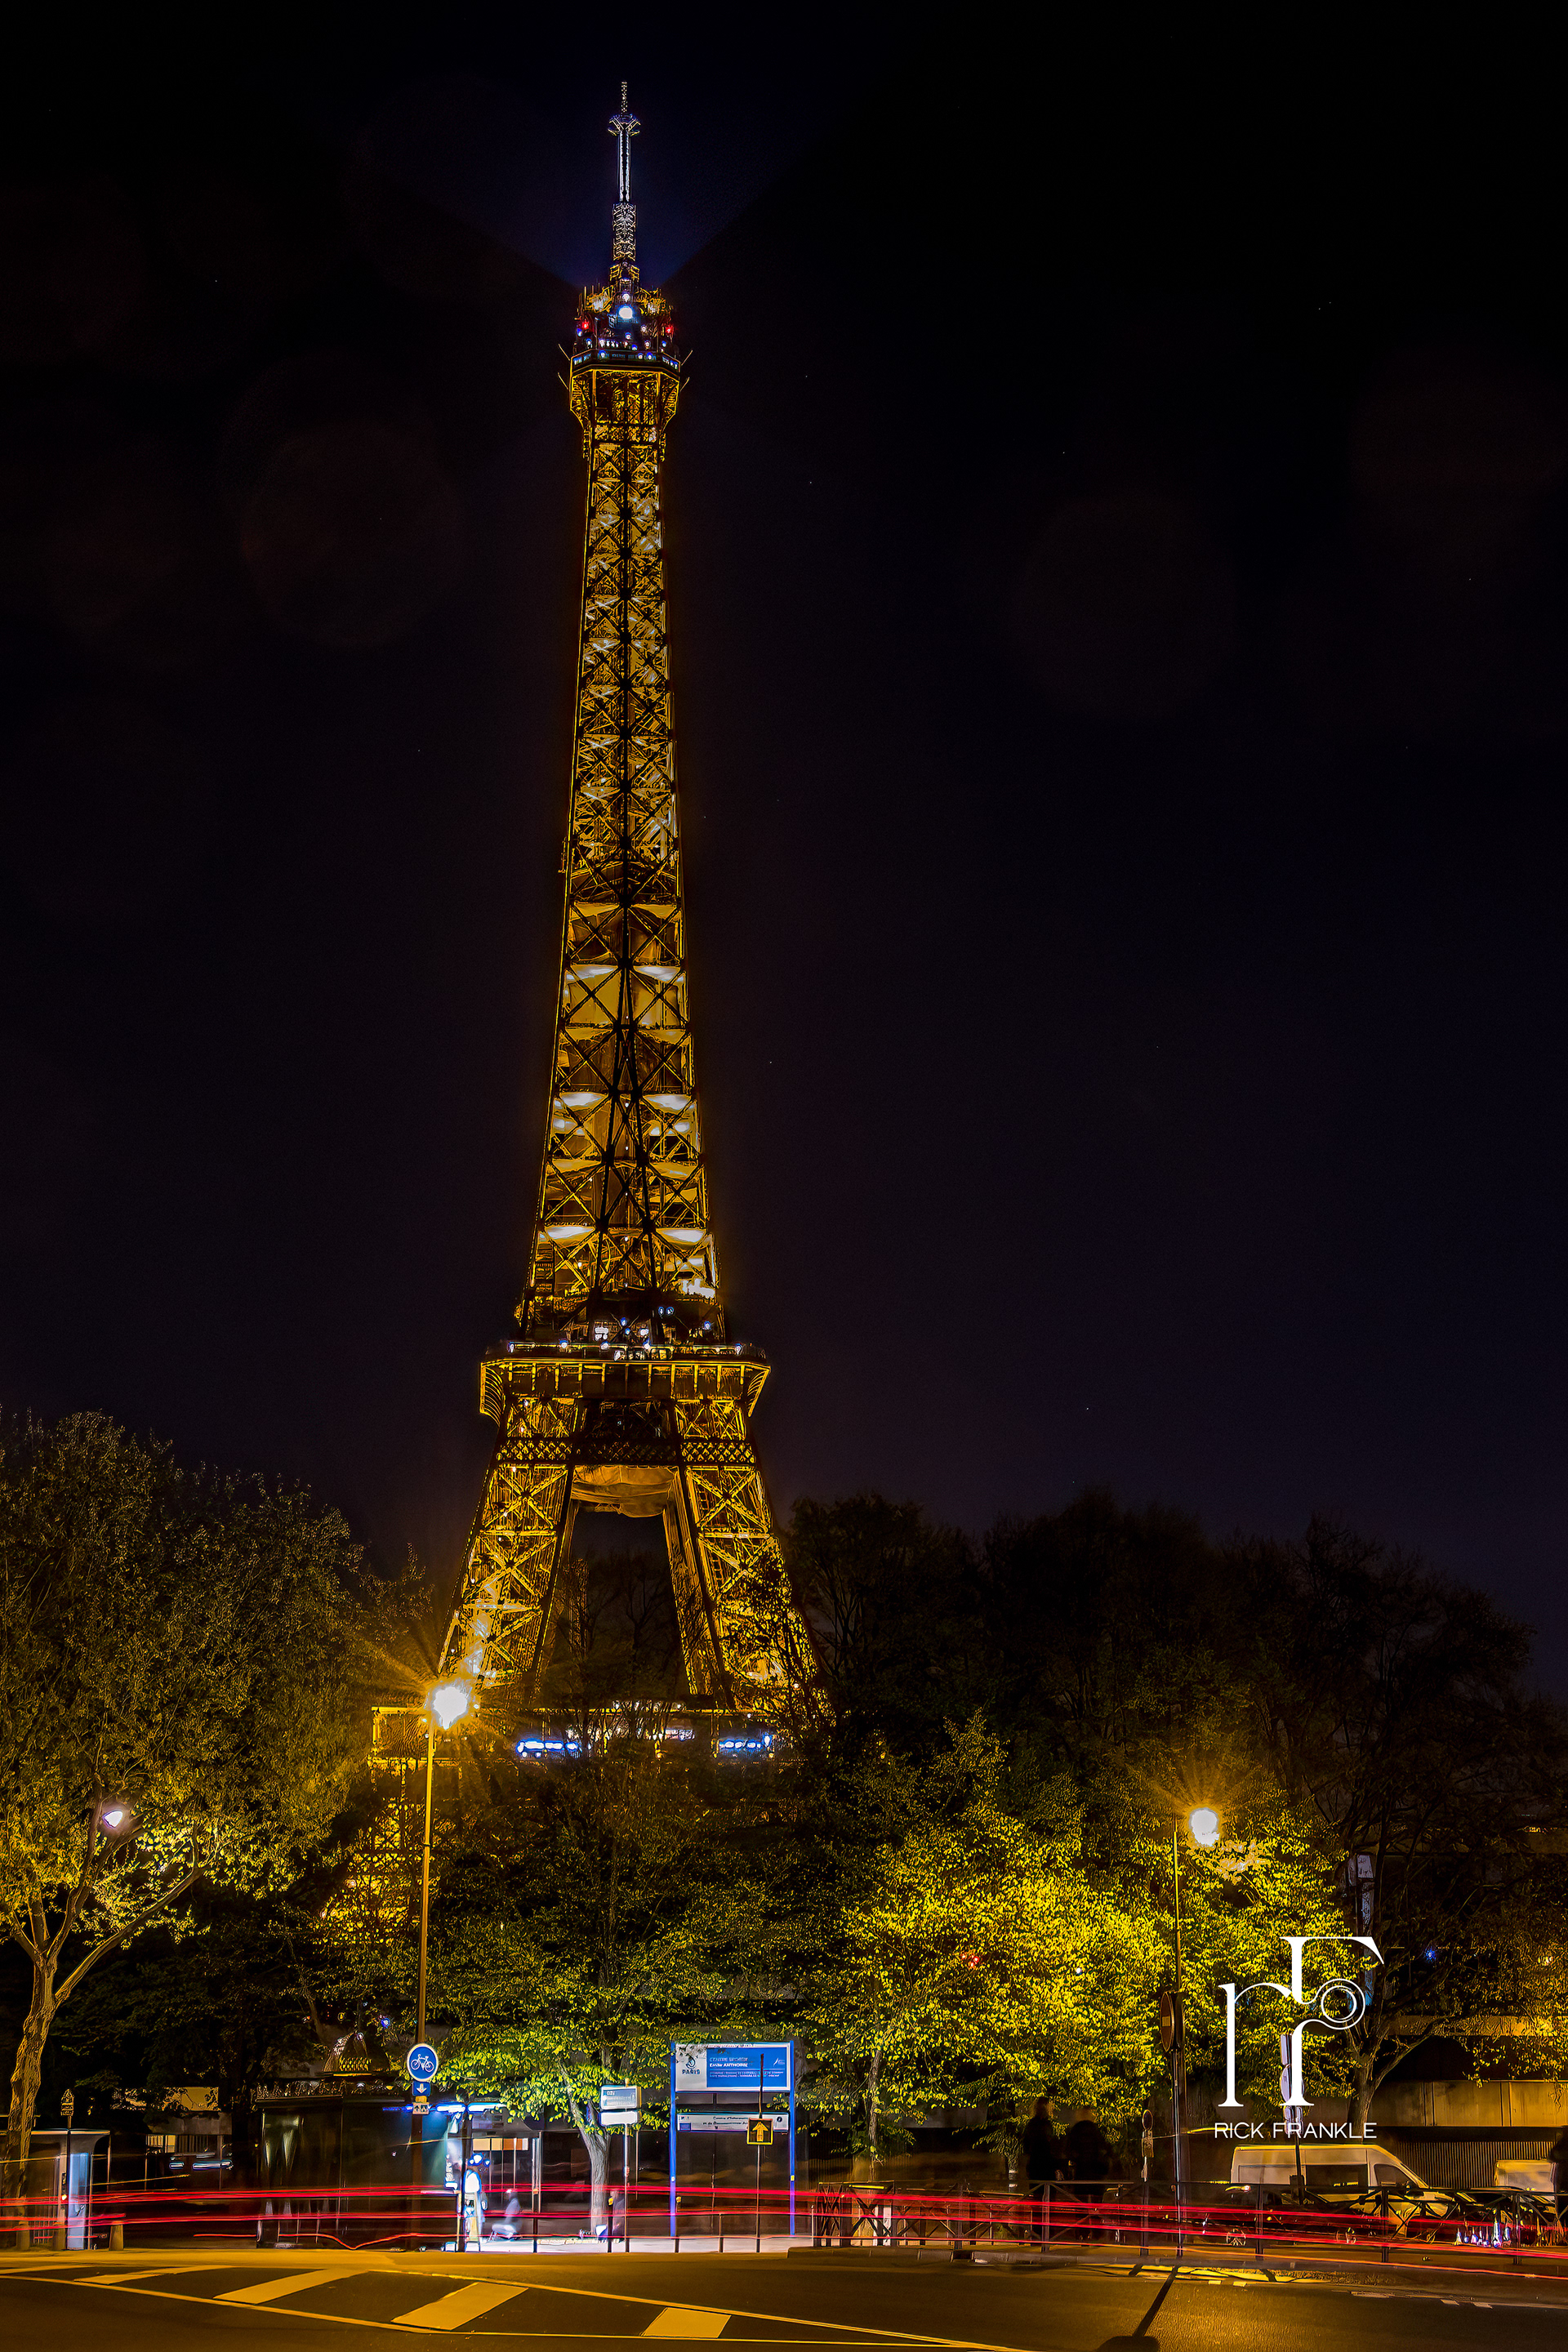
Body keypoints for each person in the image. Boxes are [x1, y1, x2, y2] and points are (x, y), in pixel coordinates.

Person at [1062, 2116, 1116, 2242]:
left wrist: (1075, 2160)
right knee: (1096, 2206)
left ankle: (1083, 2235)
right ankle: (1096, 2234)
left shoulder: (1077, 2130)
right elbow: (1105, 2148)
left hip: (1082, 2173)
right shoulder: (1094, 2130)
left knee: (1082, 2207)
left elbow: (1068, 2150)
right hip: (1095, 2174)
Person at [1021, 2096, 1062, 2238]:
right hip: (1047, 2167)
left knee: (1037, 2203)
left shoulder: (1031, 2125)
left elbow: (1026, 2147)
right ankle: (1048, 2235)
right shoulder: (1047, 2126)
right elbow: (1052, 2149)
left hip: (1034, 2168)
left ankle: (1037, 2234)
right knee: (1049, 2204)